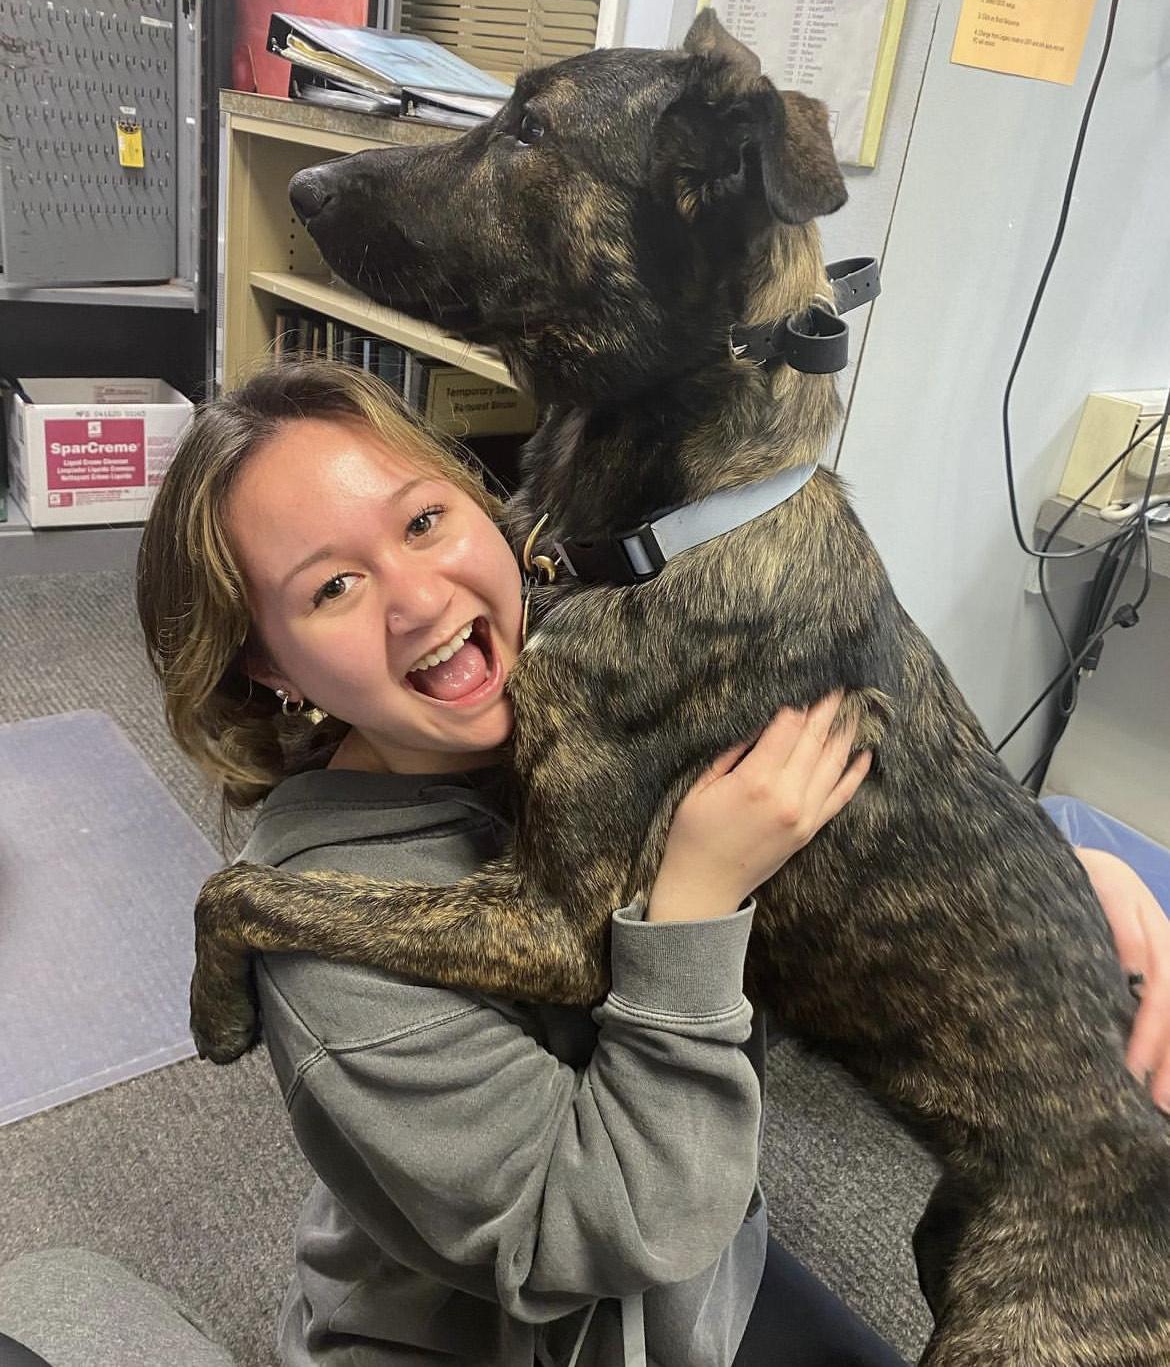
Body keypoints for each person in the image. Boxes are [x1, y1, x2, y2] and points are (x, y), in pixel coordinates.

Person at [137, 359, 1170, 1367]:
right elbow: (610, 1229)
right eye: (333, 587)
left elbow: (865, 777)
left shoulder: (598, 651)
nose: (419, 599)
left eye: (423, 521)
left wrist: (1062, 873)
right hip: (546, 1303)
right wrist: (693, 901)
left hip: (702, 1267)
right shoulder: (329, 963)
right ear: (267, 665)